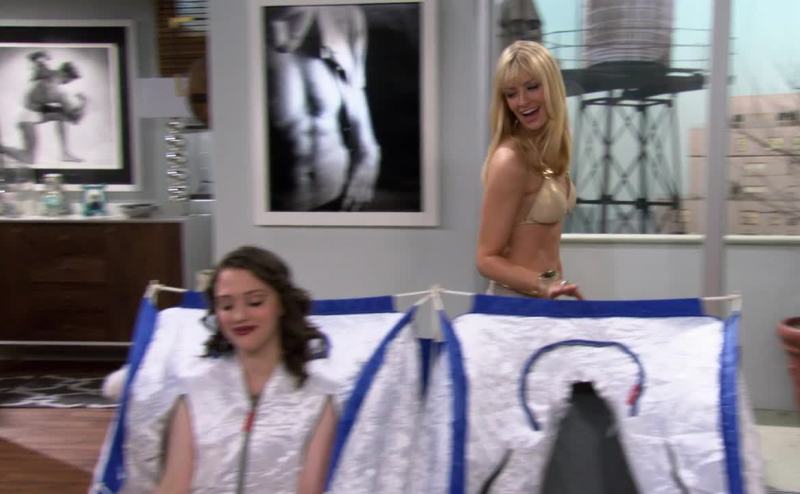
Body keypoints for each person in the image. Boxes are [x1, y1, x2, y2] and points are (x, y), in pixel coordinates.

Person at [155, 246, 337, 493]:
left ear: (281, 304)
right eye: (226, 306)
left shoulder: (318, 397)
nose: (239, 316)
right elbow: (174, 485)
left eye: (255, 302)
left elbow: (310, 489)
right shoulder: (195, 391)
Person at [476, 40, 583, 299]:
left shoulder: (553, 153)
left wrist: (555, 284)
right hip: (513, 305)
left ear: (552, 87)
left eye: (532, 87)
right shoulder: (510, 160)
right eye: (511, 93)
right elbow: (485, 259)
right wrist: (542, 284)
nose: (522, 101)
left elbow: (546, 247)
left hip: (544, 300)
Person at [266, 5, 381, 212]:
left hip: (338, 191)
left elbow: (355, 92)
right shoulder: (251, 36)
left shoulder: (344, 17)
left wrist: (369, 156)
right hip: (283, 203)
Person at [0, 51, 87, 164]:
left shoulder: (49, 74)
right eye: (70, 80)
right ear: (66, 75)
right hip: (26, 119)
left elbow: (35, 61)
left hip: (35, 113)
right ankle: (2, 149)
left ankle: (65, 153)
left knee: (61, 115)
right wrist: (84, 102)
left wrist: (40, 59)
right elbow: (75, 119)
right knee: (29, 159)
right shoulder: (57, 92)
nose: (68, 83)